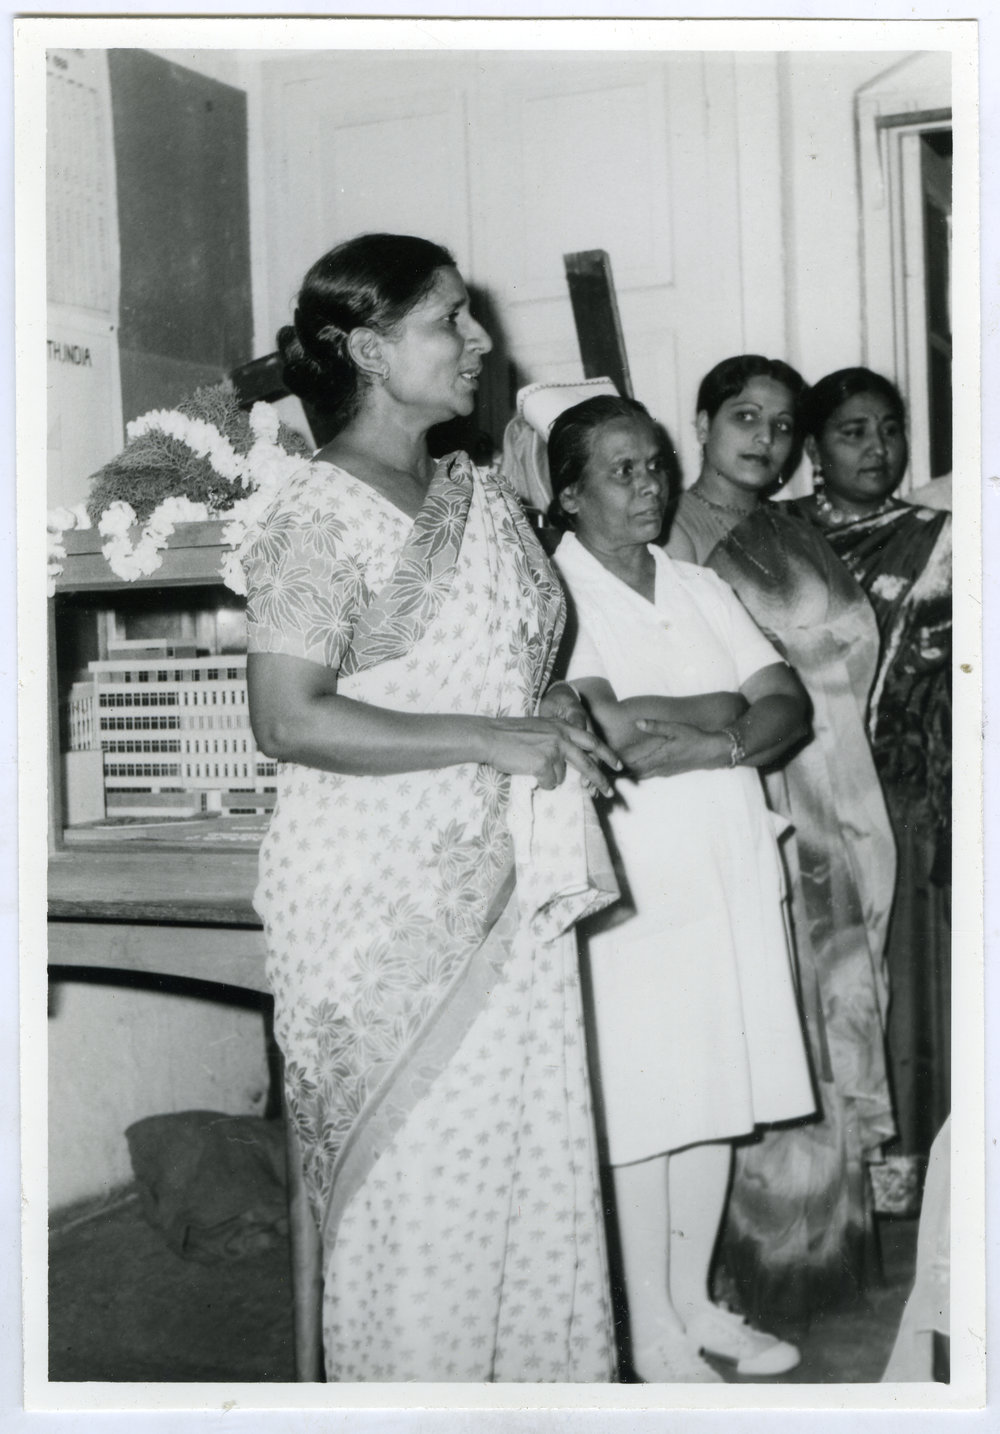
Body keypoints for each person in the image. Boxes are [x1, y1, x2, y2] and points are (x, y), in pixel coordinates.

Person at [238, 233, 624, 1382]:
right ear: (366, 347)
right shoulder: (317, 511)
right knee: (413, 1213)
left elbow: (502, 673)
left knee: (516, 1182)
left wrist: (553, 715)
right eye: (447, 321)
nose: (479, 341)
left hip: (505, 888)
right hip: (378, 908)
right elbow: (290, 717)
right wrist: (492, 737)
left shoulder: (475, 495)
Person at [532, 392, 815, 1381]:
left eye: (654, 464)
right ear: (567, 494)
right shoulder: (555, 594)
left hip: (727, 860)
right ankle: (646, 1332)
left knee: (715, 1089)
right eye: (620, 470)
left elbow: (784, 700)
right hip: (635, 876)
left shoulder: (696, 584)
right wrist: (726, 716)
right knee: (645, 1103)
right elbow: (610, 732)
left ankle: (694, 1307)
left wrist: (719, 730)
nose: (648, 484)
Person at [665, 355, 898, 1321]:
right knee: (756, 1021)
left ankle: (819, 1252)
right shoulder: (667, 529)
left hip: (830, 809)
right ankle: (734, 1267)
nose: (765, 438)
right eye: (744, 417)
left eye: (783, 424)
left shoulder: (791, 531)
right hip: (738, 798)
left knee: (828, 1018)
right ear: (704, 422)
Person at [792, 367, 952, 1209]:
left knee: (909, 993)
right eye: (854, 431)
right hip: (808, 801)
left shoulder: (946, 538)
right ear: (813, 447)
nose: (878, 447)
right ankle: (832, 1183)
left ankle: (907, 1182)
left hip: (909, 796)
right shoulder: (773, 538)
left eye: (889, 428)